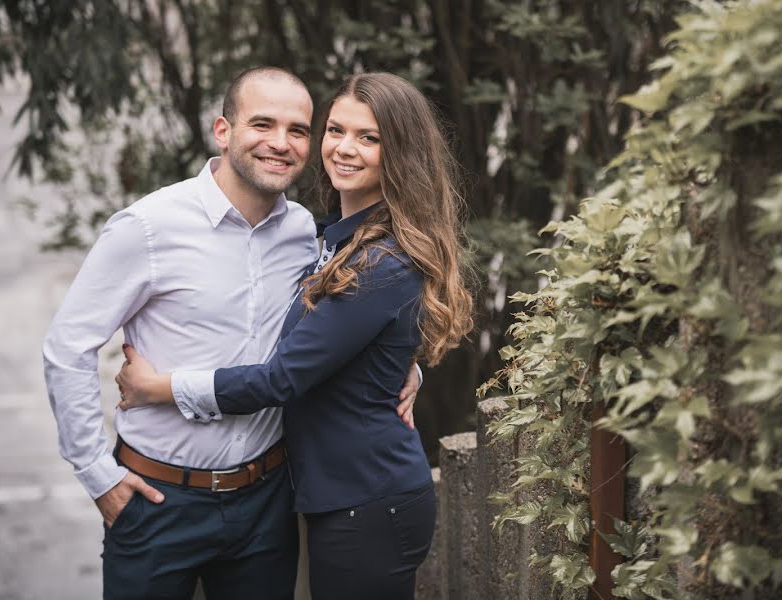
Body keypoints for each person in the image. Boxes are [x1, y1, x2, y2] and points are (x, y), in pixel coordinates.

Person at [43, 67, 420, 600]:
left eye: (297, 130)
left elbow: (342, 332)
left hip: (267, 501)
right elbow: (67, 348)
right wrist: (97, 475)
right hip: (157, 499)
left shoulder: (304, 236)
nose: (279, 143)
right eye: (261, 124)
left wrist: (405, 364)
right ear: (223, 130)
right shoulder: (149, 227)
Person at [115, 72, 474, 600]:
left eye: (368, 138)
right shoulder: (334, 237)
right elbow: (364, 344)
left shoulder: (381, 261)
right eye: (336, 131)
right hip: (343, 496)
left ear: (399, 153)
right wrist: (407, 368)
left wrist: (158, 388)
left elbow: (282, 377)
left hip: (368, 504)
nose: (344, 149)